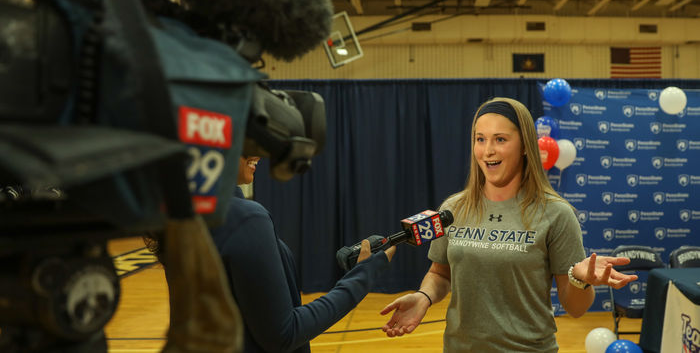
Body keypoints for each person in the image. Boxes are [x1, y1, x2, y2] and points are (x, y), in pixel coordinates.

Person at [380, 97, 637, 352]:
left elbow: (577, 309)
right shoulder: (453, 209)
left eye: (500, 139)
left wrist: (580, 279)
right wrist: (423, 297)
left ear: (525, 145)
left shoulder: (556, 213)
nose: (487, 150)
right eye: (480, 139)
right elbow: (439, 273)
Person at [209, 155, 396, 352]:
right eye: (247, 141)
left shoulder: (189, 213)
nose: (259, 154)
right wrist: (361, 277)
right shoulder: (247, 218)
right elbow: (284, 334)